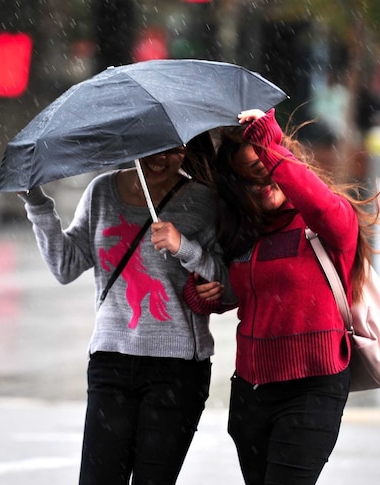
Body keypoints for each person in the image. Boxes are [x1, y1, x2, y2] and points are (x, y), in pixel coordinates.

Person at [184, 108, 380, 485]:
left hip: (312, 387)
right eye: (249, 179)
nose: (262, 184)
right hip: (251, 392)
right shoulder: (244, 233)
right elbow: (237, 292)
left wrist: (269, 146)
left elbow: (317, 201)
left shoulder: (326, 223)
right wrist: (206, 295)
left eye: (267, 170)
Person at [17, 132, 225, 485]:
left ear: (187, 149)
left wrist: (183, 247)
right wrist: (37, 203)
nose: (160, 159)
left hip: (176, 369)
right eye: (152, 147)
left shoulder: (202, 201)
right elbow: (66, 266)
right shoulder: (101, 192)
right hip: (110, 362)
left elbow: (226, 281)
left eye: (173, 150)